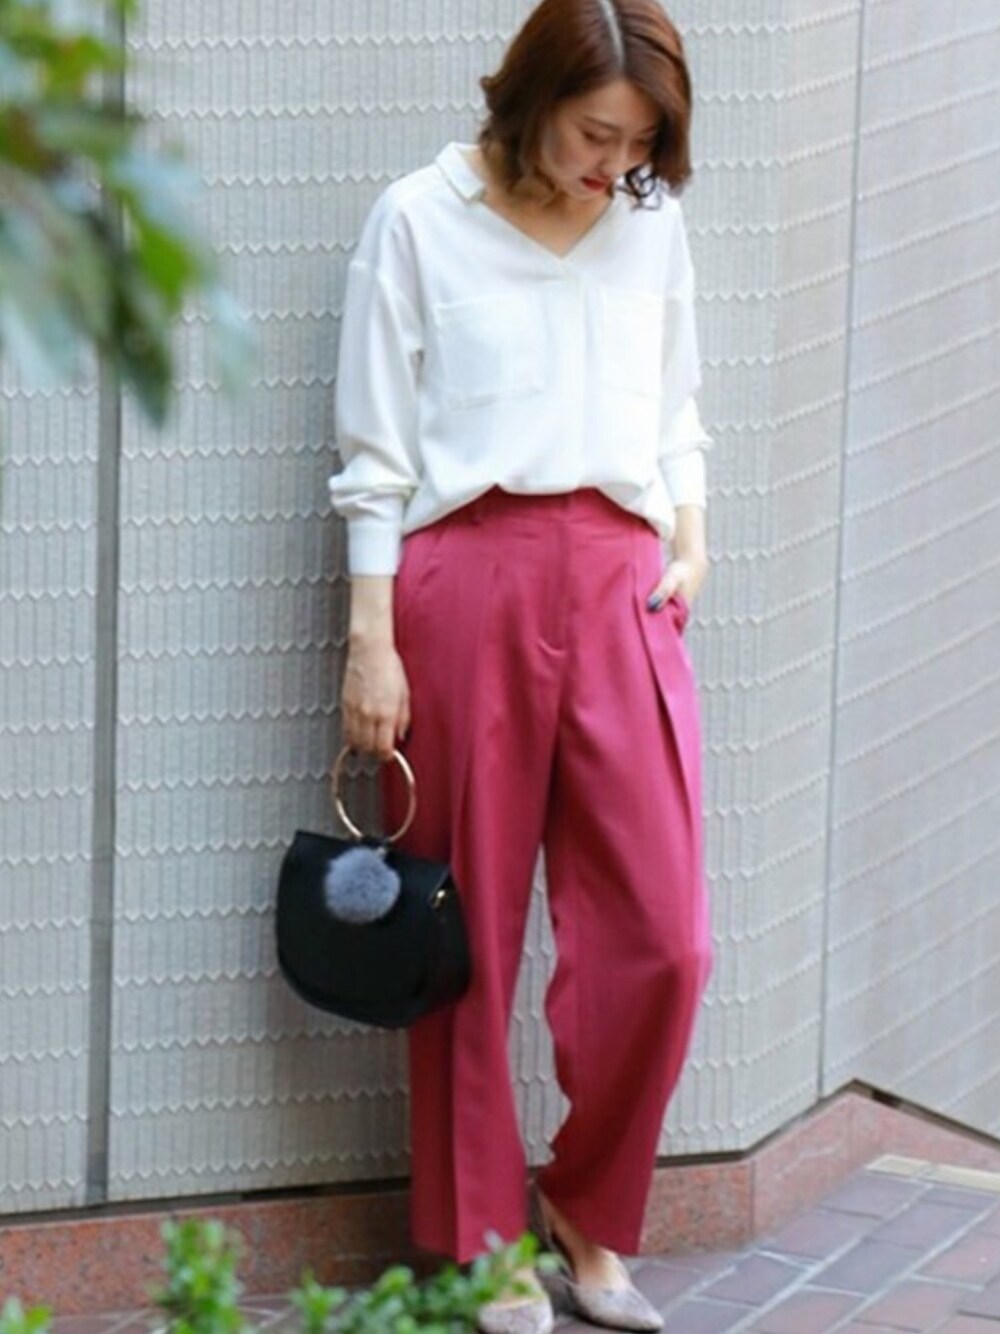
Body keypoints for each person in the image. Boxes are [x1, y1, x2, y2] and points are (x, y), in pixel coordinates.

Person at [328, 1, 714, 1330]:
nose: (618, 165)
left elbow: (675, 406)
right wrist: (372, 640)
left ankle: (588, 1211)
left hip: (620, 582)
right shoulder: (418, 220)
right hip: (464, 581)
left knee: (666, 939)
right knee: (466, 932)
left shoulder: (650, 222)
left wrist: (691, 540)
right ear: (532, 97)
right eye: (598, 133)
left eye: (642, 142)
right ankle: (482, 1237)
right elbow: (375, 454)